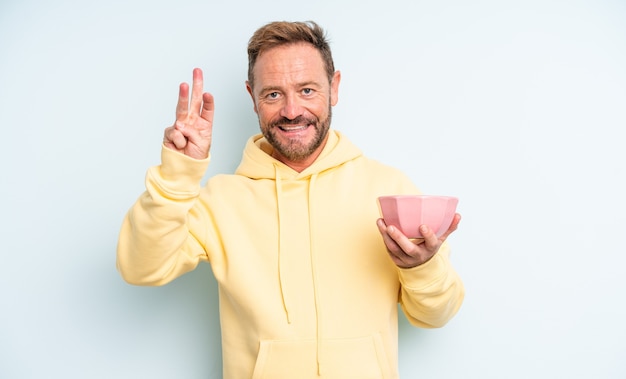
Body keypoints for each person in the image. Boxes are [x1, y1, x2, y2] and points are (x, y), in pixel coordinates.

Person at [117, 20, 464, 379]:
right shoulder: (219, 200)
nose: (292, 110)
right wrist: (178, 173)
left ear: (335, 87)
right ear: (252, 97)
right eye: (273, 94)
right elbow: (141, 268)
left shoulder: (388, 189)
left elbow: (435, 316)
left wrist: (420, 267)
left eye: (307, 90)